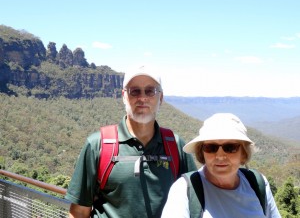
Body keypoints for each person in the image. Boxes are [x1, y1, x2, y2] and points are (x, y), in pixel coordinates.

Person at [65, 66, 197, 218]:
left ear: (160, 98)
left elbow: (193, 202)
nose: (142, 98)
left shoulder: (175, 145)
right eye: (135, 91)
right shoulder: (97, 145)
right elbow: (79, 212)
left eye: (150, 91)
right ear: (124, 96)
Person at [162, 113, 281, 218]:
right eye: (211, 147)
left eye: (230, 147)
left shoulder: (257, 184)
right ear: (202, 152)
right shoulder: (184, 190)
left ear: (243, 153)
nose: (220, 156)